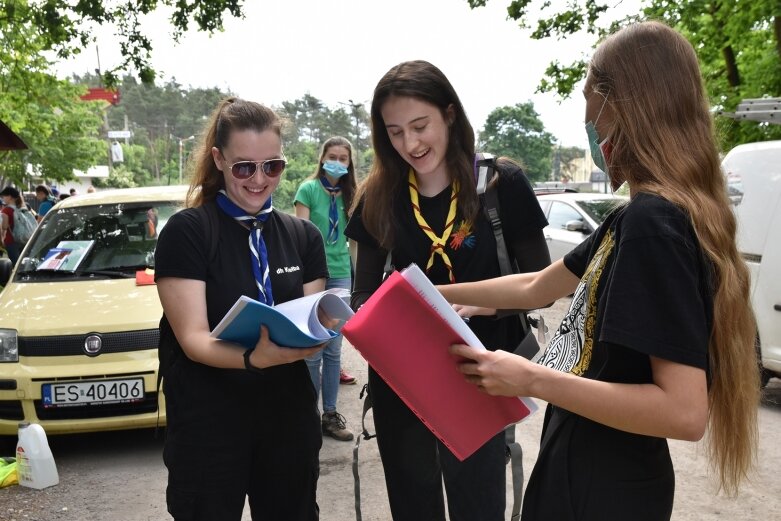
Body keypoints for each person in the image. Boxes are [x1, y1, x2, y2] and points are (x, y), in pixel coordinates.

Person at [438, 21, 759, 521]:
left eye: (589, 99)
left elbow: (684, 411)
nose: (587, 121)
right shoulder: (631, 218)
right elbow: (536, 284)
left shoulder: (655, 222)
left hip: (605, 491)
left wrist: (531, 379)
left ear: (623, 106)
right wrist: (428, 292)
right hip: (590, 475)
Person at [345, 60, 551, 521]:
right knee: (413, 503)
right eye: (395, 132)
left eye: (420, 126)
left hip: (482, 375)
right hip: (407, 380)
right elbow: (362, 294)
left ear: (450, 114)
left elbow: (542, 285)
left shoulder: (500, 183)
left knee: (478, 504)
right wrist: (373, 314)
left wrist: (484, 302)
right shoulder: (380, 194)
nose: (411, 144)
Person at [154, 97, 331, 521]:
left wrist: (327, 330)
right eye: (244, 167)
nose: (259, 179)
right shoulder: (189, 232)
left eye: (272, 166)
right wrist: (255, 358)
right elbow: (194, 339)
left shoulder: (303, 236)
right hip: (209, 421)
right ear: (218, 159)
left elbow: (313, 324)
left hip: (287, 417)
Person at [294, 136, 357, 441]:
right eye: (332, 156)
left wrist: (359, 283)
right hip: (313, 276)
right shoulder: (307, 190)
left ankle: (330, 415)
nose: (337, 162)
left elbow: (356, 241)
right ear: (322, 158)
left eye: (343, 158)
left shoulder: (351, 193)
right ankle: (307, 414)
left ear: (349, 163)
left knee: (333, 349)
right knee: (312, 350)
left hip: (341, 275)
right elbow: (301, 236)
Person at [1, 186, 29, 264]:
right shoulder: (21, 208)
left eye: (3, 196)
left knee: (15, 264)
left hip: (10, 240)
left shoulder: (6, 210)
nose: (3, 198)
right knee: (21, 262)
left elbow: (4, 226)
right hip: (23, 239)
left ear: (9, 197)